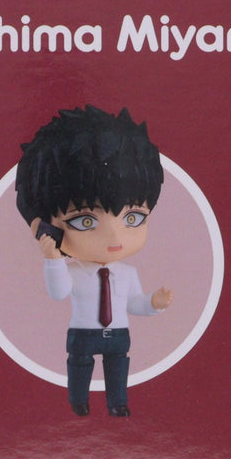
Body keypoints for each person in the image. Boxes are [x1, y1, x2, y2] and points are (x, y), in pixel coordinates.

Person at [15, 106, 173, 416]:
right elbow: (59, 293)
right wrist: (53, 259)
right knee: (79, 366)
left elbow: (133, 304)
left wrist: (154, 303)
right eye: (85, 221)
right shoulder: (73, 270)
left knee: (118, 367)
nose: (114, 237)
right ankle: (79, 401)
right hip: (83, 333)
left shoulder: (127, 272)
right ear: (43, 226)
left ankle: (117, 403)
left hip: (119, 334)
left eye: (133, 217)